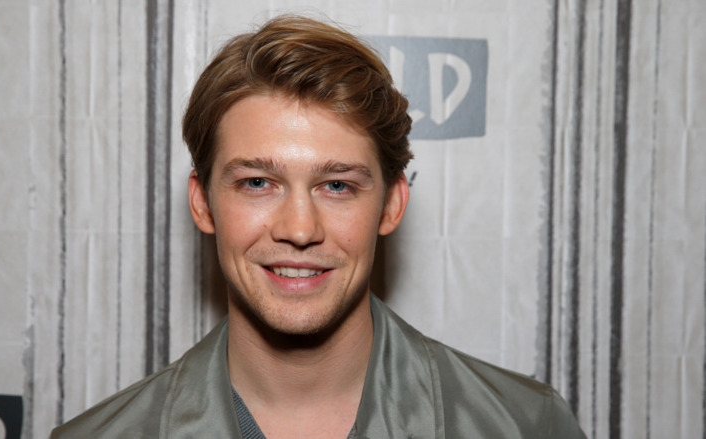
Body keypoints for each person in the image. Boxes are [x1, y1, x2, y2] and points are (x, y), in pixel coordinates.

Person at [51, 15, 586, 438]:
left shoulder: (524, 427)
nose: (300, 230)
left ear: (392, 205)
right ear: (203, 204)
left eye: (337, 186)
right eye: (258, 183)